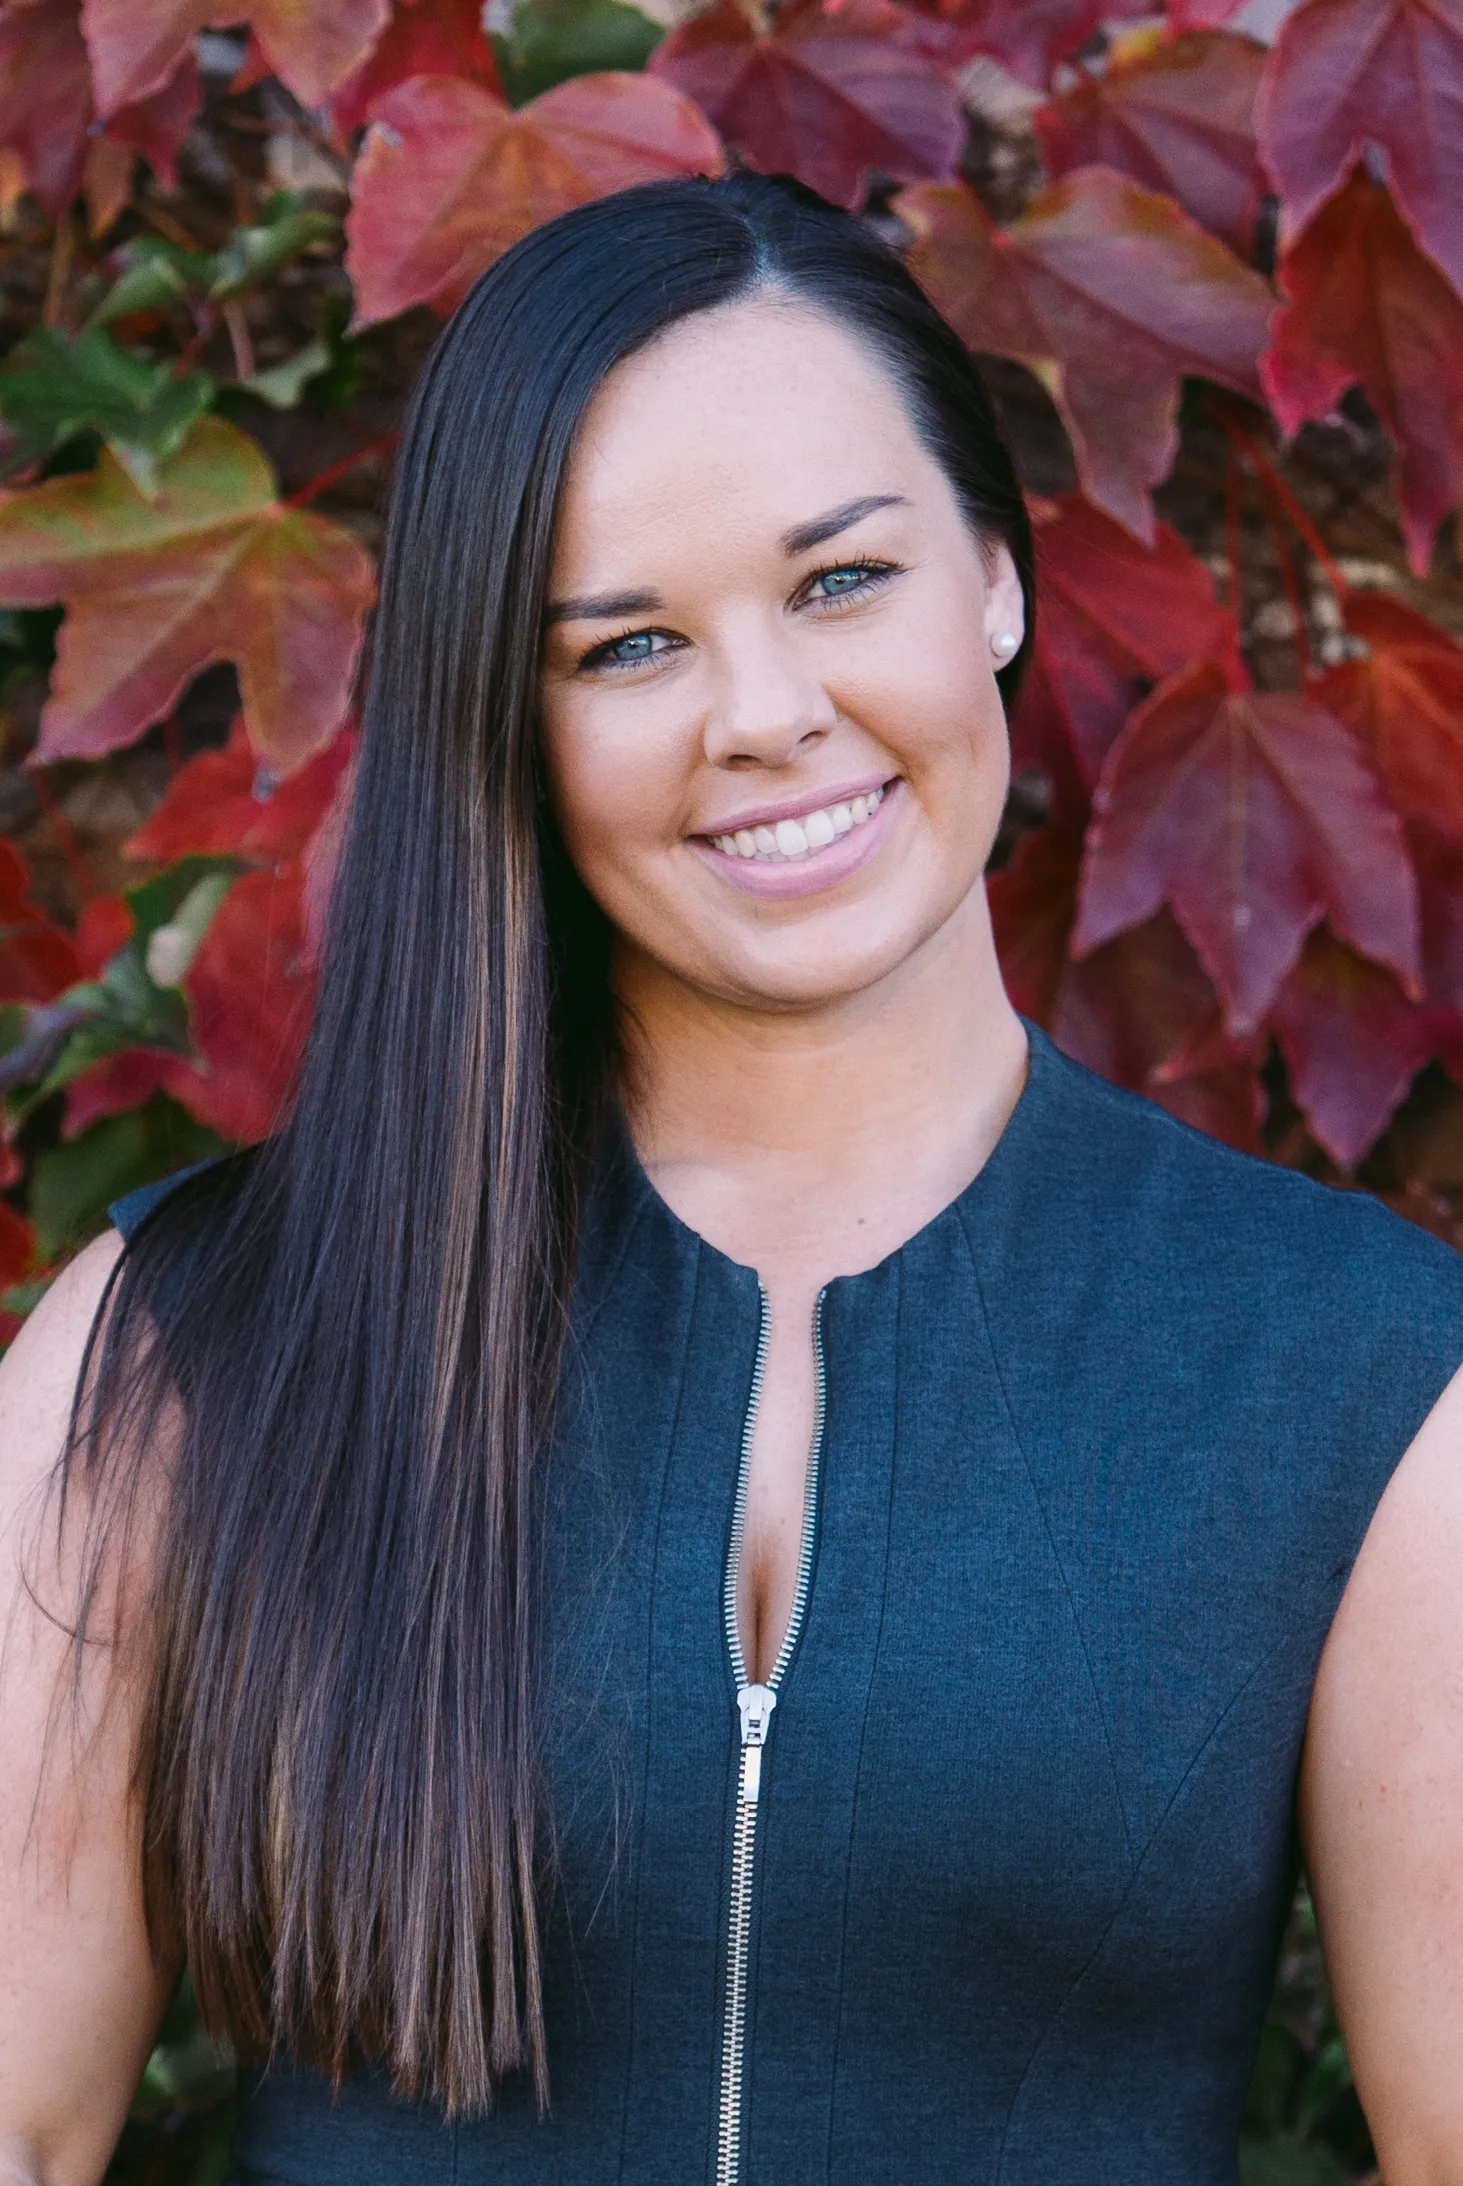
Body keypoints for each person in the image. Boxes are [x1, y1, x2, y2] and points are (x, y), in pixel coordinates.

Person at [2, 170, 1462, 2186]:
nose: (764, 718)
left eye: (842, 581)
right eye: (623, 648)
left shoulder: (1357, 1371)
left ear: (995, 578)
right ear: (502, 721)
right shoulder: (184, 1343)